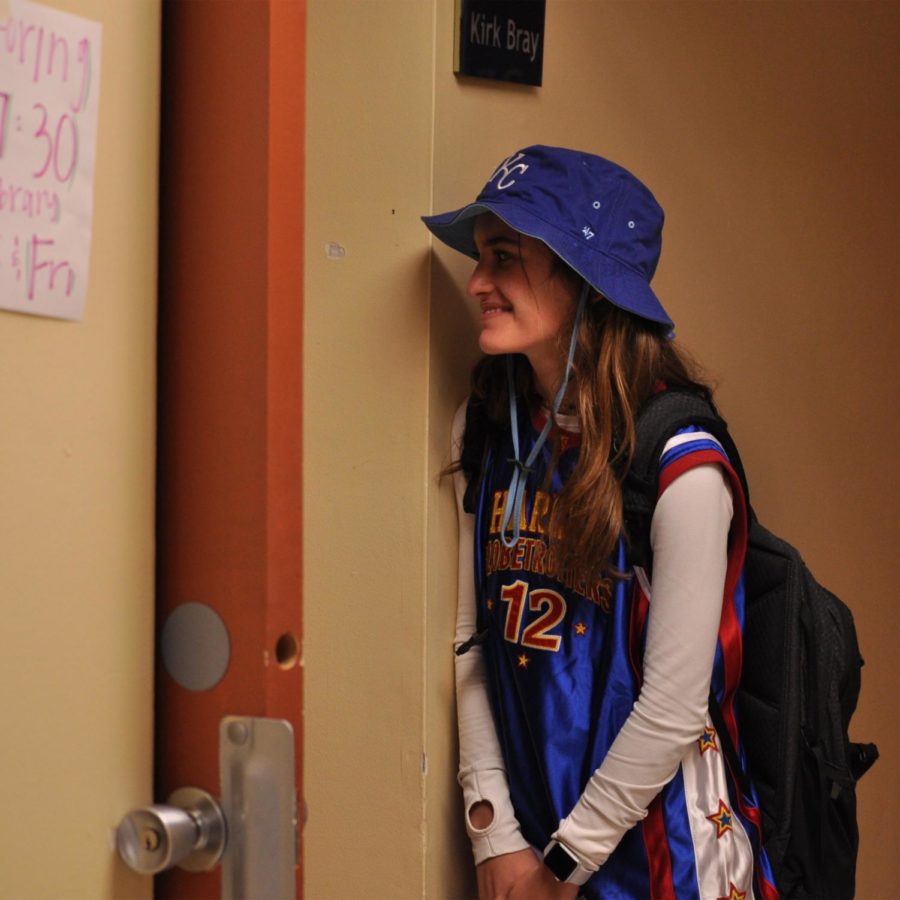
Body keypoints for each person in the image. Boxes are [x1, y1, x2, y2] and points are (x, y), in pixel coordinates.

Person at [422, 146, 778, 900]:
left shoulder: (681, 461)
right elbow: (472, 641)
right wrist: (493, 834)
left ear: (584, 280)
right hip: (535, 856)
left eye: (505, 257)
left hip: (669, 866)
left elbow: (675, 707)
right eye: (482, 257)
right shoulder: (487, 426)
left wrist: (559, 867)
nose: (477, 281)